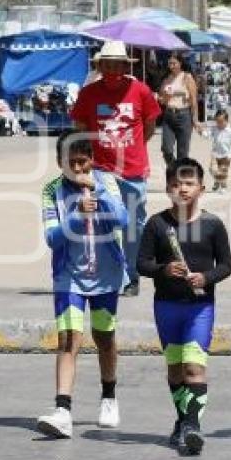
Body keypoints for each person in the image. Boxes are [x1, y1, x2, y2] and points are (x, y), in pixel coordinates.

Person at [36, 131, 129, 438]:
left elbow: (122, 219)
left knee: (104, 336)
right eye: (71, 162)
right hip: (69, 279)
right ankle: (63, 409)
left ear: (91, 159)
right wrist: (75, 217)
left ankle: (109, 396)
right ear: (59, 162)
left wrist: (98, 192)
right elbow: (52, 238)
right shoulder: (51, 191)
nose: (78, 168)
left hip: (106, 277)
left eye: (83, 161)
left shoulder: (106, 181)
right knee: (68, 338)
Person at [137, 157, 231, 455]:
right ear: (167, 189)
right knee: (176, 369)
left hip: (200, 308)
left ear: (202, 188)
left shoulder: (212, 225)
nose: (183, 189)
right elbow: (141, 263)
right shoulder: (157, 224)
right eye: (176, 184)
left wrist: (206, 277)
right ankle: (182, 421)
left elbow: (227, 266)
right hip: (167, 306)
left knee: (194, 366)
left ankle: (193, 426)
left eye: (189, 183)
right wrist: (163, 270)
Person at [70, 40, 162, 298]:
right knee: (106, 222)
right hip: (101, 170)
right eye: (107, 64)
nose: (112, 69)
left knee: (135, 226)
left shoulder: (140, 91)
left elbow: (151, 123)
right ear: (100, 66)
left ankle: (132, 276)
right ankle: (109, 275)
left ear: (124, 65)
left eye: (117, 64)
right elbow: (79, 125)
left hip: (133, 170)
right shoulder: (89, 93)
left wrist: (135, 148)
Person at [158, 53, 201, 166]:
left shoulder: (187, 77)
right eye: (169, 64)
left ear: (180, 64)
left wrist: (195, 120)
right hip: (169, 116)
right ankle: (174, 168)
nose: (171, 66)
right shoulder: (166, 79)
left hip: (184, 115)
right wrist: (165, 98)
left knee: (183, 152)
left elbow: (193, 100)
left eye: (174, 63)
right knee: (167, 149)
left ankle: (179, 175)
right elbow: (162, 101)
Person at [207, 109, 231, 194]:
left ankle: (223, 186)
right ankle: (217, 180)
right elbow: (208, 134)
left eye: (221, 121)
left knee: (223, 171)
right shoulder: (214, 129)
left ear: (226, 121)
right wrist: (201, 132)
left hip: (226, 155)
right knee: (212, 169)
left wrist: (230, 155)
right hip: (215, 153)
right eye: (217, 121)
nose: (219, 124)